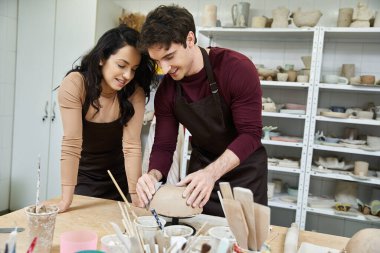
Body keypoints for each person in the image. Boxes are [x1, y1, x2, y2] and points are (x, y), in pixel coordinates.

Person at [136, 5, 268, 217]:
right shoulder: (167, 91)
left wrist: (211, 173)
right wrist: (152, 176)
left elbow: (250, 135)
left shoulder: (236, 69)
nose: (165, 69)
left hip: (245, 174)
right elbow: (164, 145)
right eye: (157, 61)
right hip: (201, 175)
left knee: (243, 245)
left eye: (169, 56)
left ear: (190, 39)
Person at [57, 25, 157, 212]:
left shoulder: (134, 93)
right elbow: (71, 144)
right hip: (83, 179)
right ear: (102, 58)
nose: (127, 75)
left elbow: (132, 146)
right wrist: (66, 200)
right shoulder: (76, 85)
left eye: (134, 69)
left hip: (119, 181)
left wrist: (135, 197)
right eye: (121, 65)